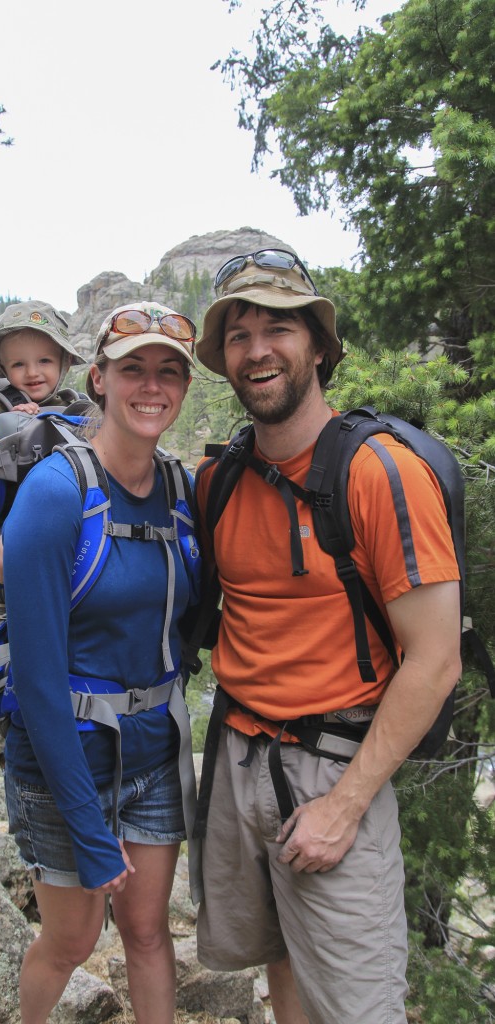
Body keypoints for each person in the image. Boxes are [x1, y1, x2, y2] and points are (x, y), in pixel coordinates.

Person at [192, 240, 462, 1024]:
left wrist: (344, 807)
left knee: (358, 1002)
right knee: (282, 963)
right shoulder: (221, 481)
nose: (257, 349)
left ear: (316, 343)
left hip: (336, 768)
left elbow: (436, 659)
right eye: (238, 335)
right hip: (239, 760)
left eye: (277, 326)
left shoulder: (377, 472)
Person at [1, 301, 199, 1024]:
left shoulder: (181, 490)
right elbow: (38, 681)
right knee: (73, 937)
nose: (151, 386)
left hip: (152, 753)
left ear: (182, 387)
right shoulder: (57, 494)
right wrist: (88, 826)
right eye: (133, 370)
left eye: (168, 371)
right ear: (99, 379)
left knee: (148, 933)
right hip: (61, 763)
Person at [0, 300, 86, 613]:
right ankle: (4, 609)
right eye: (19, 365)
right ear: (4, 369)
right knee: (4, 553)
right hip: (16, 510)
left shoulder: (74, 405)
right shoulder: (2, 405)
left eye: (44, 361)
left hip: (75, 510)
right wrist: (14, 421)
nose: (33, 373)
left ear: (63, 363)